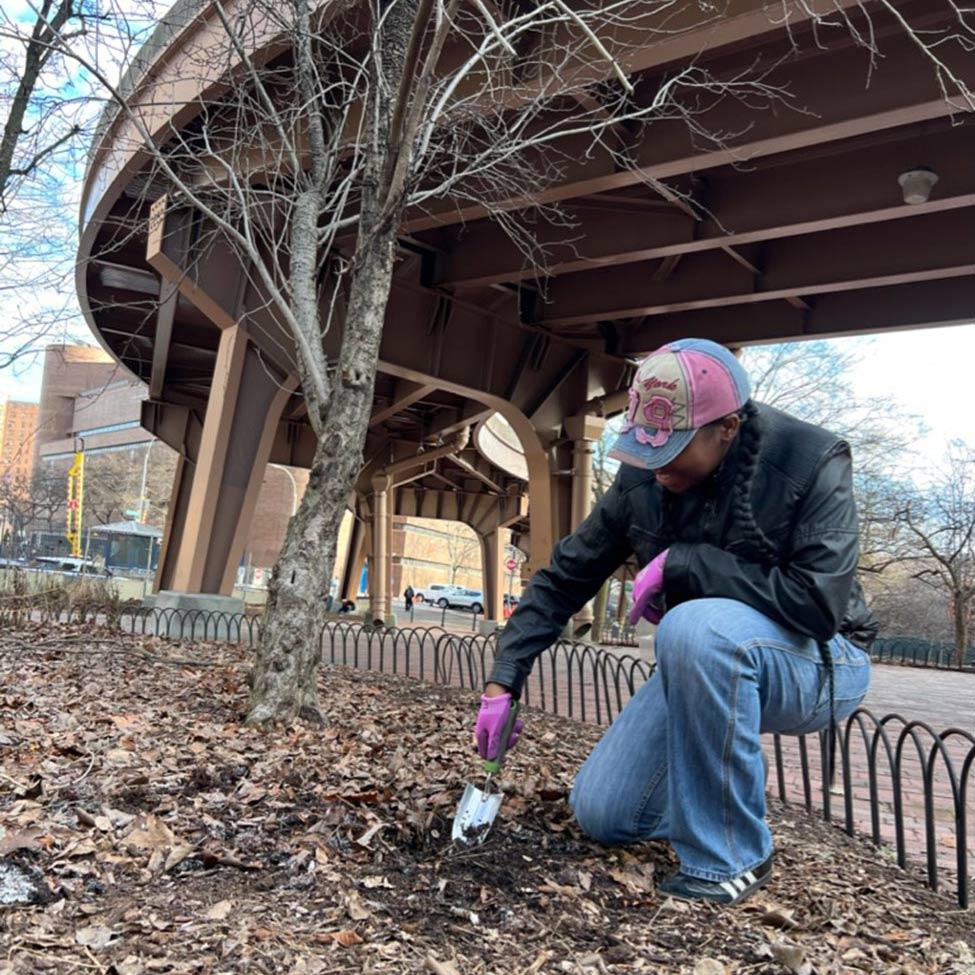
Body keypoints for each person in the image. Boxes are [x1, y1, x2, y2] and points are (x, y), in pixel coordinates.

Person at [473, 338, 877, 905]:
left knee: (693, 627)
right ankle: (704, 797)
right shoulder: (645, 475)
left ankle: (731, 854)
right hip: (709, 660)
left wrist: (688, 563)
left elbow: (818, 604)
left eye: (675, 447)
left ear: (728, 427)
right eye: (643, 444)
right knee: (605, 813)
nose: (655, 463)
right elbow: (564, 577)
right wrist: (504, 678)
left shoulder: (811, 459)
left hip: (821, 662)